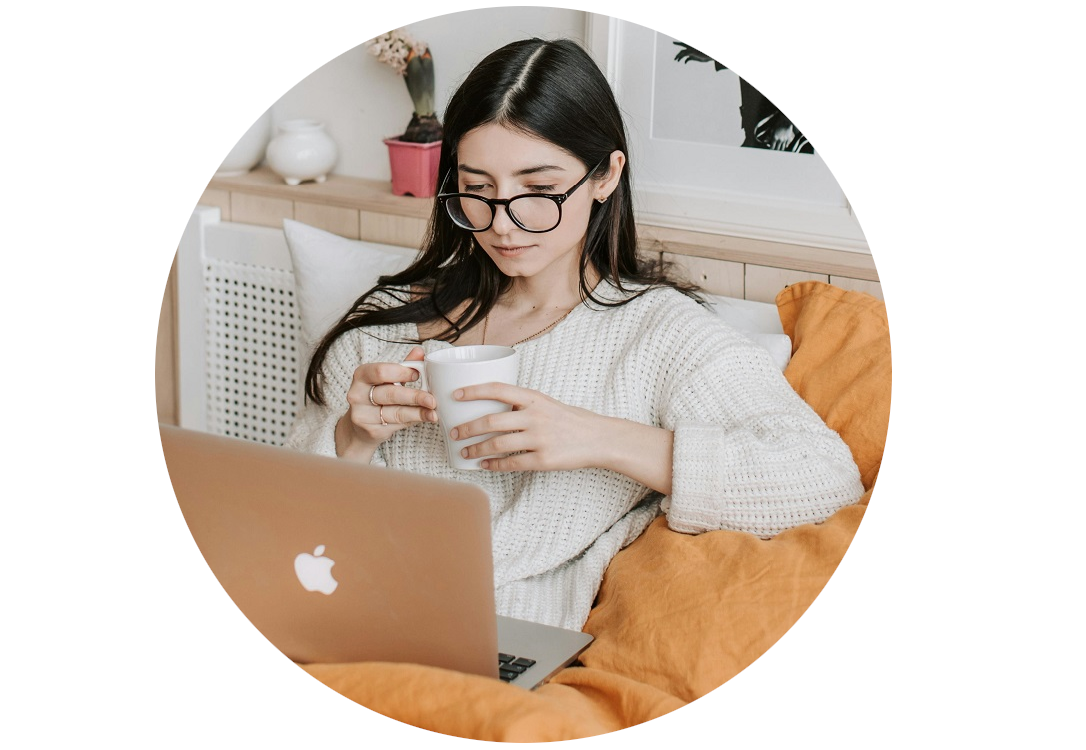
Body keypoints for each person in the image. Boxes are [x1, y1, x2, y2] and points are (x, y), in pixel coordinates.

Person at [284, 38, 864, 631]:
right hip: (338, 617)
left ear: (606, 177)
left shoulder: (658, 336)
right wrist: (351, 439)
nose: (504, 223)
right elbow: (286, 526)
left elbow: (824, 477)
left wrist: (596, 437)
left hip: (493, 645)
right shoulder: (382, 329)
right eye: (478, 189)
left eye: (538, 192)